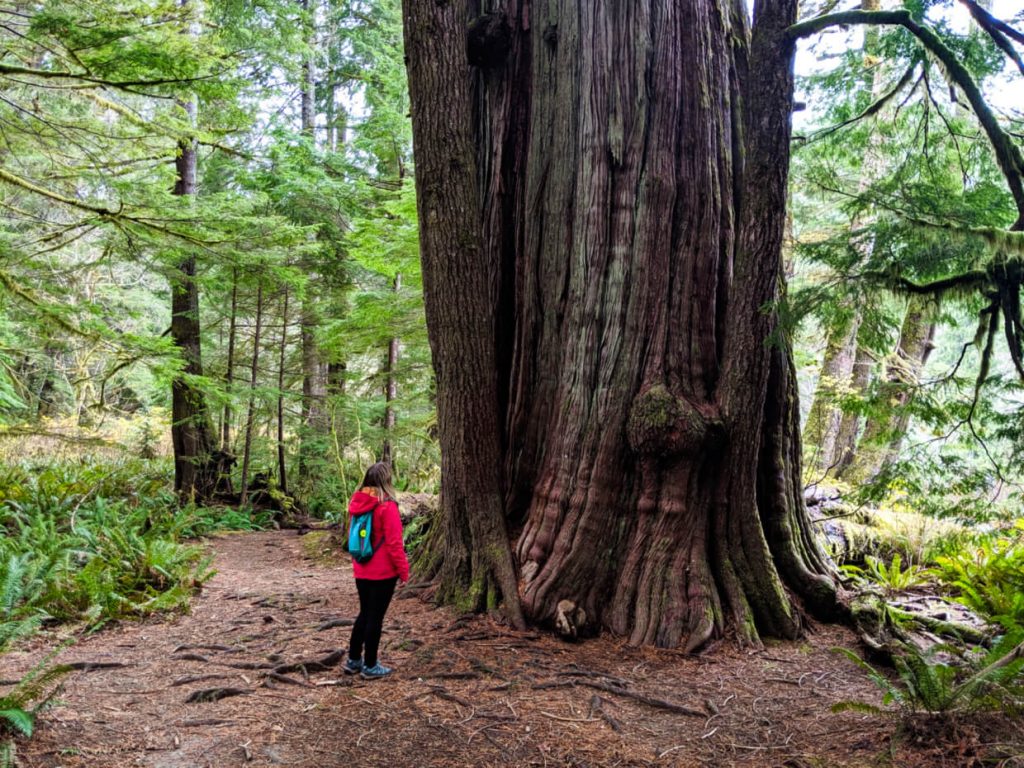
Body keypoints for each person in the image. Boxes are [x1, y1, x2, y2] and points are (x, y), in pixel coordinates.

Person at [344, 462, 410, 680]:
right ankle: (370, 665)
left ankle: (354, 660)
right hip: (383, 572)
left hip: (361, 568)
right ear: (386, 480)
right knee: (375, 617)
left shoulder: (356, 503)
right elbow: (394, 544)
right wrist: (403, 571)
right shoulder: (387, 506)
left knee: (364, 613)